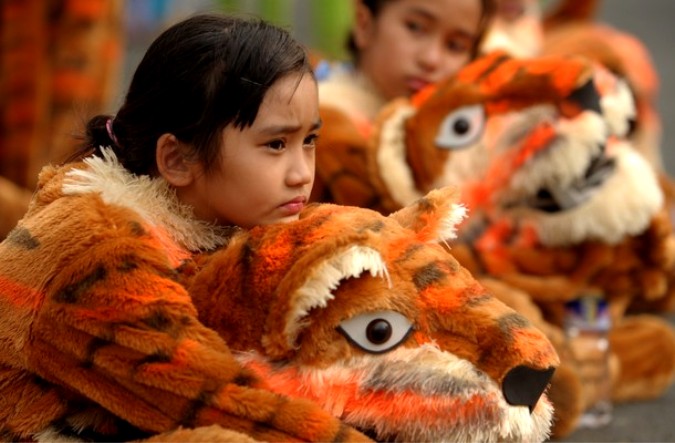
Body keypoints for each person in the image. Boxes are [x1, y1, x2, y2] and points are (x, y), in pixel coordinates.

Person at [0, 13, 366, 443]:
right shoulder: (102, 253)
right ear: (177, 160)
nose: (302, 173)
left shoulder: (219, 220)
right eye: (275, 144)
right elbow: (219, 401)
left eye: (309, 141)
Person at [316, 0, 496, 135]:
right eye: (415, 27)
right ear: (364, 24)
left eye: (455, 45)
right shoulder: (323, 116)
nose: (431, 59)